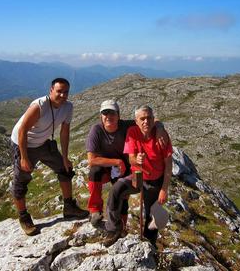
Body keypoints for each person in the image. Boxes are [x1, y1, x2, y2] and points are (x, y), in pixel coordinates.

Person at [10, 78, 89, 236]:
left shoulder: (68, 107)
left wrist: (65, 157)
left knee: (65, 169)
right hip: (24, 144)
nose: (62, 95)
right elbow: (22, 131)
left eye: (66, 92)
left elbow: (64, 132)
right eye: (59, 91)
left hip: (43, 143)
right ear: (51, 90)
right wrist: (24, 158)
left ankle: (69, 207)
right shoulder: (39, 106)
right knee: (21, 181)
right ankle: (24, 217)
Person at [86, 100, 168, 230]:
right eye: (105, 113)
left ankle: (121, 227)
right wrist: (116, 162)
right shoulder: (96, 130)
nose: (108, 116)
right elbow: (91, 160)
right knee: (95, 172)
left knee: (121, 195)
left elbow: (151, 119)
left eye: (112, 113)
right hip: (106, 167)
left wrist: (160, 128)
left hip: (125, 167)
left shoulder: (127, 125)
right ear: (100, 116)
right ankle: (95, 209)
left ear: (118, 115)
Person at [103, 105, 173, 247]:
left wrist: (164, 189)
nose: (146, 121)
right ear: (136, 121)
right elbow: (130, 158)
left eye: (149, 118)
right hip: (137, 175)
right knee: (116, 190)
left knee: (150, 215)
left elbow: (168, 165)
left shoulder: (161, 136)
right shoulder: (132, 132)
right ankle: (114, 229)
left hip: (155, 181)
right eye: (142, 119)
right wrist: (137, 160)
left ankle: (149, 245)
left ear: (154, 119)